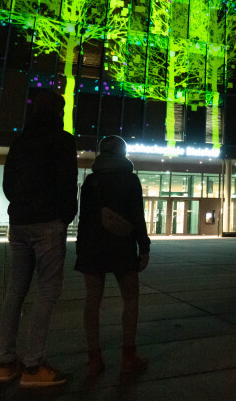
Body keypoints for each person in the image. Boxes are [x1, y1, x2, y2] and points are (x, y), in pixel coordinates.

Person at [0, 90, 78, 387]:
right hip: (47, 223)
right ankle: (34, 366)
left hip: (19, 222)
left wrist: (20, 205)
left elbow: (8, 183)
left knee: (15, 290)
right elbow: (68, 183)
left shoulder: (19, 142)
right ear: (59, 111)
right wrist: (64, 215)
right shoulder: (62, 140)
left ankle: (7, 363)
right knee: (47, 290)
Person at [75, 135, 150, 377]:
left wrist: (80, 249)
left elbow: (83, 220)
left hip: (92, 246)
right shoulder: (130, 180)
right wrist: (144, 247)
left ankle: (94, 359)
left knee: (92, 301)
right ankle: (128, 355)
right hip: (122, 246)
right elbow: (137, 216)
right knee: (130, 299)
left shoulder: (91, 182)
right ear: (123, 153)